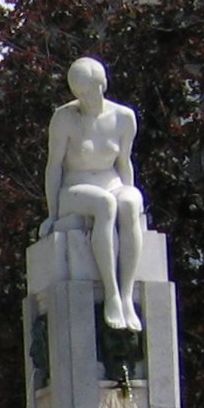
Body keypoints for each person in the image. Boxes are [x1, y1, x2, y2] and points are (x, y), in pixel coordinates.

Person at [42, 55, 147, 333]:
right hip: (74, 189)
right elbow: (54, 166)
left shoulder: (124, 118)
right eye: (80, 94)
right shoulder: (64, 118)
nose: (85, 99)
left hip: (110, 181)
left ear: (102, 85)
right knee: (105, 205)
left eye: (89, 92)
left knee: (129, 201)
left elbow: (124, 162)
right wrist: (52, 214)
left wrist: (130, 194)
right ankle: (111, 294)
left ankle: (127, 295)